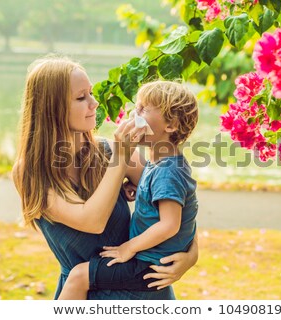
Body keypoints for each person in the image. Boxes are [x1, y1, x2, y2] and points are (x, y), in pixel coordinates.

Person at [12, 56, 198, 300]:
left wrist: (192, 255)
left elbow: (176, 203)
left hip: (143, 291)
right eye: (81, 98)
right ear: (51, 108)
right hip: (82, 294)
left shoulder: (107, 150)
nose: (95, 103)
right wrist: (120, 160)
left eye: (90, 93)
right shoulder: (30, 172)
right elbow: (92, 221)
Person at [58, 80, 199, 299]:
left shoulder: (167, 171)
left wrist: (129, 248)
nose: (135, 113)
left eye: (143, 109)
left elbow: (170, 224)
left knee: (79, 276)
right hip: (148, 258)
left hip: (148, 264)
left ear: (170, 125)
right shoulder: (160, 163)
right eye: (137, 106)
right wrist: (140, 190)